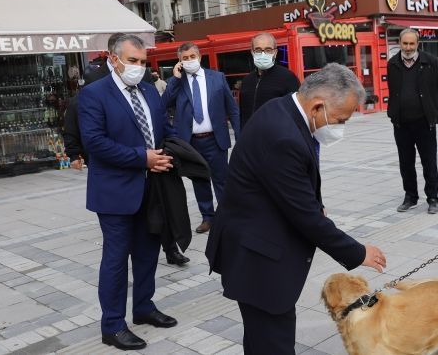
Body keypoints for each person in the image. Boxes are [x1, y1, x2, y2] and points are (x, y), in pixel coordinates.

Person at [205, 63, 387, 355]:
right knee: (273, 343)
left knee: (261, 341)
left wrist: (316, 204)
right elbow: (305, 216)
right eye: (339, 119)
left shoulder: (282, 110)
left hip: (254, 245)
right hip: (259, 262)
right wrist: (357, 252)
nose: (340, 127)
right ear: (318, 106)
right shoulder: (283, 136)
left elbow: (294, 189)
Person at [77, 34, 179, 351]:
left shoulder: (149, 90)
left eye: (142, 62)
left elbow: (164, 128)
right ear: (113, 58)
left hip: (152, 188)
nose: (138, 67)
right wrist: (142, 158)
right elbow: (94, 143)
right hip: (114, 193)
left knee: (149, 252)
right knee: (116, 260)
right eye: (132, 61)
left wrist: (175, 151)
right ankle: (113, 325)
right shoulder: (93, 94)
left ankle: (144, 308)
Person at [162, 42, 241, 236]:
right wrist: (175, 79)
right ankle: (208, 217)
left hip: (216, 139)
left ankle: (226, 217)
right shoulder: (178, 82)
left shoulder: (217, 78)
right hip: (191, 142)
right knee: (199, 180)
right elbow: (163, 104)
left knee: (222, 180)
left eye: (192, 57)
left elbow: (232, 108)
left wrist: (241, 137)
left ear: (200, 57)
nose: (189, 61)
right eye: (184, 58)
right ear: (179, 61)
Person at [387, 28, 438, 214]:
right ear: (400, 43)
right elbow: (393, 90)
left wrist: (433, 111)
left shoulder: (431, 62)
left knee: (429, 162)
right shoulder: (392, 63)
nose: (408, 47)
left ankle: (433, 198)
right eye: (405, 43)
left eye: (412, 43)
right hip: (401, 124)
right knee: (406, 162)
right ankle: (410, 196)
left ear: (417, 44)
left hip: (424, 123)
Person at [65, 33, 125, 170]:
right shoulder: (93, 77)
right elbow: (76, 110)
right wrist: (73, 153)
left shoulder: (141, 74)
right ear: (112, 54)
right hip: (104, 153)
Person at [239, 32, 300, 128]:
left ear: (275, 52)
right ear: (252, 52)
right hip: (251, 138)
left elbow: (296, 113)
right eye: (258, 50)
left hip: (277, 139)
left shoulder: (288, 78)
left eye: (268, 50)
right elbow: (242, 114)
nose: (263, 54)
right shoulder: (247, 81)